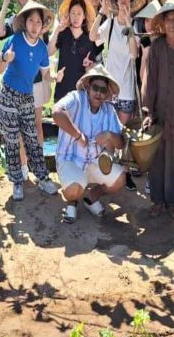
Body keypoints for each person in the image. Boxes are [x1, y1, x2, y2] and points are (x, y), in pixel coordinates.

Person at [0, 0, 61, 202]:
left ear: (42, 26)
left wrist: (56, 77)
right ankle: (16, 182)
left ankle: (42, 178)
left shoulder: (41, 48)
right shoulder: (15, 40)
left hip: (26, 96)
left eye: (38, 21)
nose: (34, 25)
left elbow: (45, 74)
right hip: (8, 94)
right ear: (25, 22)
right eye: (30, 20)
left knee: (32, 138)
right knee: (13, 140)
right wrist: (5, 58)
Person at [141, 0, 174, 219]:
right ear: (162, 24)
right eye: (168, 20)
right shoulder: (157, 47)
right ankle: (157, 201)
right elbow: (150, 80)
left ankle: (172, 203)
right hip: (158, 110)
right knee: (157, 158)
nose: (172, 24)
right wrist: (147, 111)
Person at [52, 64, 126, 223]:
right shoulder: (75, 98)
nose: (98, 93)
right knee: (74, 190)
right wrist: (78, 135)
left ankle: (91, 197)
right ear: (87, 87)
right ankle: (72, 202)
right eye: (95, 88)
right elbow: (56, 112)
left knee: (120, 179)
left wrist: (109, 135)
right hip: (70, 159)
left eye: (103, 90)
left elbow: (120, 143)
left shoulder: (109, 110)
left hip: (93, 162)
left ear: (107, 94)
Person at [0, 0, 48, 180]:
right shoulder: (16, 22)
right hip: (16, 83)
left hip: (35, 81)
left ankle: (39, 166)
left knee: (36, 125)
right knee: (17, 130)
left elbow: (42, 51)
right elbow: (0, 32)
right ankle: (24, 166)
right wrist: (5, 3)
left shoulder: (40, 19)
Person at [89, 0, 140, 191]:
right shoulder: (108, 24)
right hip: (110, 89)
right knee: (110, 130)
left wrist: (128, 24)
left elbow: (134, 54)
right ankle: (107, 170)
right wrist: (101, 11)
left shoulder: (132, 26)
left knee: (124, 134)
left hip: (126, 89)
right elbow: (93, 37)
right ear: (116, 2)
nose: (124, 1)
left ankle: (125, 173)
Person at [133, 0, 162, 195]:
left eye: (154, 19)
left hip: (163, 94)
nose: (150, 24)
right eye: (147, 20)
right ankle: (149, 173)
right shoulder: (143, 41)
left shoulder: (164, 41)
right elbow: (142, 71)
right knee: (148, 134)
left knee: (159, 136)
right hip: (147, 93)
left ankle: (156, 176)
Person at [48, 0, 98, 103]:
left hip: (80, 94)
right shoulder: (63, 33)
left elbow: (91, 69)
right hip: (62, 91)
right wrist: (56, 30)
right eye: (73, 13)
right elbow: (49, 51)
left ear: (84, 16)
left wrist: (88, 66)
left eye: (79, 13)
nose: (76, 17)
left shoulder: (89, 39)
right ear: (69, 15)